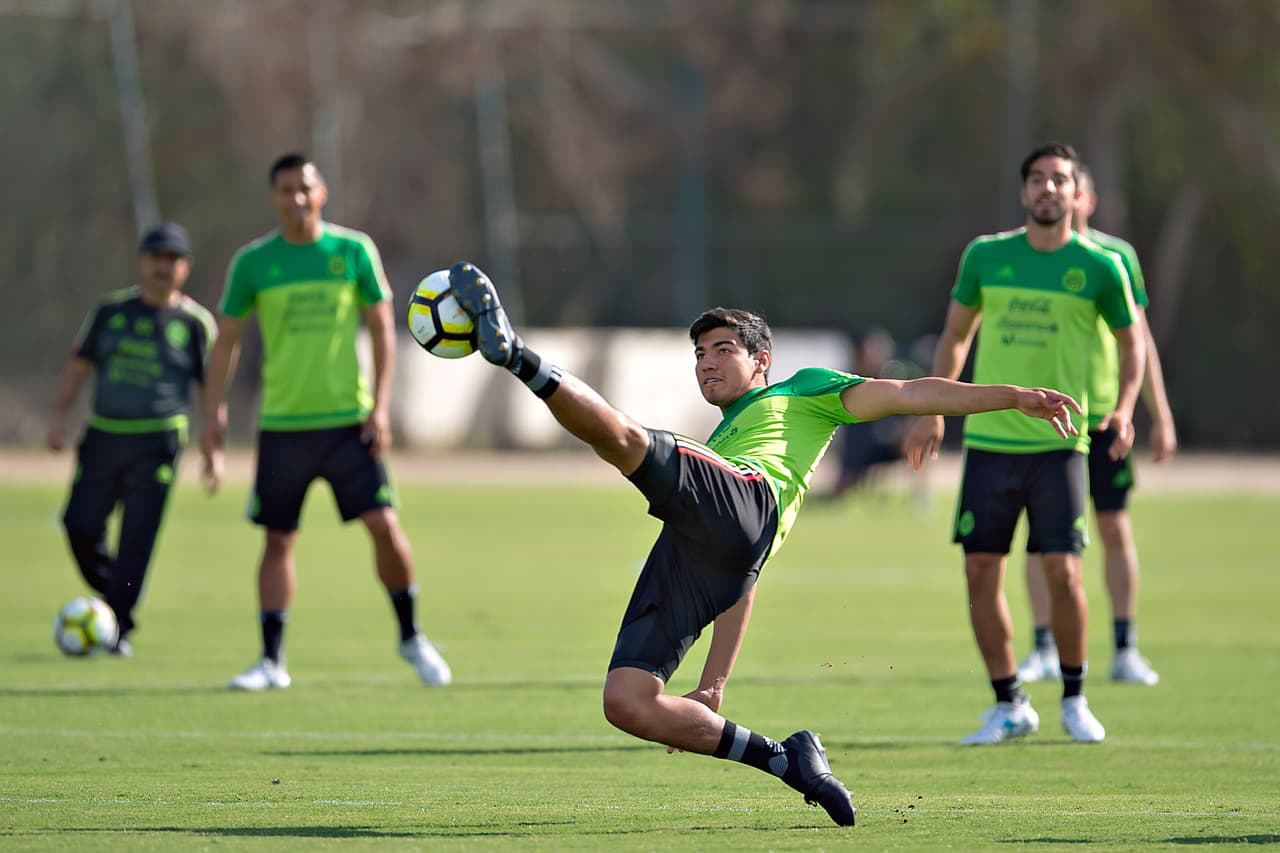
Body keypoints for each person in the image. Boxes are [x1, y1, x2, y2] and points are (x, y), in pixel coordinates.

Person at [444, 260, 1082, 825]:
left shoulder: (801, 391)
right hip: (713, 550)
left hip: (748, 502)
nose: (707, 363)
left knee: (627, 441)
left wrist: (1015, 397)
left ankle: (515, 354)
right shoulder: (715, 444)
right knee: (627, 702)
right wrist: (715, 680)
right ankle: (788, 761)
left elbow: (908, 393)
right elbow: (741, 573)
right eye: (699, 354)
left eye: (722, 349)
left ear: (761, 361)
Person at [902, 142, 1146, 745]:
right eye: (1036, 179)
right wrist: (934, 408)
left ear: (1075, 192)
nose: (1046, 189)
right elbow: (957, 335)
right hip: (988, 441)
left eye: (1057, 179)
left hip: (1063, 443)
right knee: (980, 571)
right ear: (1023, 192)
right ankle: (1008, 701)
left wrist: (1124, 407)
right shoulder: (987, 256)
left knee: (1063, 572)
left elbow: (1133, 343)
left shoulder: (1100, 267)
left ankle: (1074, 696)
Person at [201, 152, 450, 691]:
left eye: (304, 188)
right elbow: (227, 342)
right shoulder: (253, 263)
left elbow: (384, 329)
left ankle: (412, 637)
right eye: (285, 189)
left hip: (349, 423)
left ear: (322, 193)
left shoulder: (352, 251)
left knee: (384, 525)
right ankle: (271, 661)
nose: (296, 198)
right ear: (272, 197)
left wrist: (380, 406)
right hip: (284, 424)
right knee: (278, 540)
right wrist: (214, 410)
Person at [1018, 164, 1177, 687]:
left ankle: (1126, 647)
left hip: (1106, 414)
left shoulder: (1114, 259)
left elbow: (1140, 341)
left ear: (1087, 197)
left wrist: (1158, 412)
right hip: (1052, 418)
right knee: (1042, 540)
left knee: (1113, 527)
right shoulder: (1027, 254)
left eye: (1071, 186)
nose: (1062, 194)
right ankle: (1043, 646)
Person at [48, 223, 217, 657]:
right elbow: (78, 365)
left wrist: (211, 451)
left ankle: (117, 628)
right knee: (79, 525)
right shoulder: (110, 312)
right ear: (142, 261)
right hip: (105, 435)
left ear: (185, 267)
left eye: (172, 260)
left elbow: (210, 391)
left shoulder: (196, 324)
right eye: (155, 257)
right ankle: (113, 602)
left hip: (158, 441)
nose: (163, 267)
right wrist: (59, 417)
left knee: (137, 539)